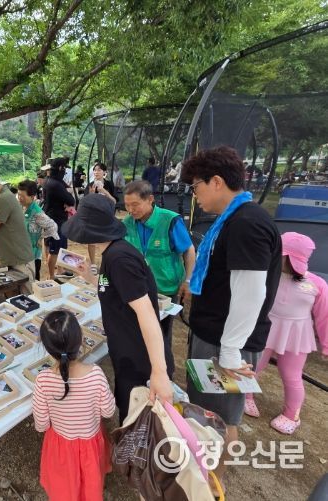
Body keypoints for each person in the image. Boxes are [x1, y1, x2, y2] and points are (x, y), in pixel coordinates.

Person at [180, 146, 281, 495]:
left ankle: (211, 484)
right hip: (213, 335)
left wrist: (230, 353)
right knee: (205, 410)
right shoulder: (232, 219)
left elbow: (250, 294)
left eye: (196, 186)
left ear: (217, 182)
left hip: (225, 345)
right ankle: (202, 473)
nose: (195, 195)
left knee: (219, 418)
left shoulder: (247, 224)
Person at [62, 194, 173, 421]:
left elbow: (146, 313)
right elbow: (112, 287)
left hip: (140, 358)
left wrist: (159, 372)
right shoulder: (111, 252)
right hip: (127, 352)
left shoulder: (120, 259)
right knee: (129, 411)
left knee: (138, 422)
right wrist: (89, 277)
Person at [245, 232, 328, 434]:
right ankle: (245, 396)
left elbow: (324, 316)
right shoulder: (266, 274)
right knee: (253, 366)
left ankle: (292, 415)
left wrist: (326, 344)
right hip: (266, 328)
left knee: (291, 375)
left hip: (296, 335)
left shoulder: (317, 284)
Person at [32, 310, 116, 501]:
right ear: (81, 340)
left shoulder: (43, 380)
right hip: (91, 446)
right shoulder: (96, 374)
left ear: (46, 348)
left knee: (64, 487)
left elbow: (41, 425)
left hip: (60, 448)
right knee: (90, 485)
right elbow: (108, 411)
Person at [122, 180, 196, 373]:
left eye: (135, 204)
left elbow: (188, 250)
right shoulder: (127, 223)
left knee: (161, 333)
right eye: (127, 205)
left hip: (165, 289)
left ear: (150, 199)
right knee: (138, 329)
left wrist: (188, 281)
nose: (131, 210)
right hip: (138, 288)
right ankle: (142, 367)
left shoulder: (170, 220)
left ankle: (164, 371)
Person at [17, 180, 59, 281]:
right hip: (21, 252)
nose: (19, 198)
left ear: (32, 197)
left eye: (22, 196)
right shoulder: (22, 207)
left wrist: (41, 237)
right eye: (18, 195)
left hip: (32, 256)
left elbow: (53, 226)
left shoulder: (37, 213)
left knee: (32, 283)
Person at [42, 158, 75, 279]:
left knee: (59, 247)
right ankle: (52, 276)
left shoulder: (49, 180)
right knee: (55, 250)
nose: (65, 172)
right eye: (64, 169)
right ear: (61, 168)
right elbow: (71, 200)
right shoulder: (55, 184)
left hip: (53, 217)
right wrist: (68, 198)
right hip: (56, 220)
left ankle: (60, 270)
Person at [85, 162, 116, 273]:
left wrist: (104, 191)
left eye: (99, 170)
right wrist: (91, 194)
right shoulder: (90, 185)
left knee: (106, 240)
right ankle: (93, 264)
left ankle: (106, 263)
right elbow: (86, 203)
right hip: (93, 216)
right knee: (92, 240)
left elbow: (114, 201)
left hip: (107, 216)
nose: (96, 172)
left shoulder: (109, 184)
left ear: (104, 172)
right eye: (95, 170)